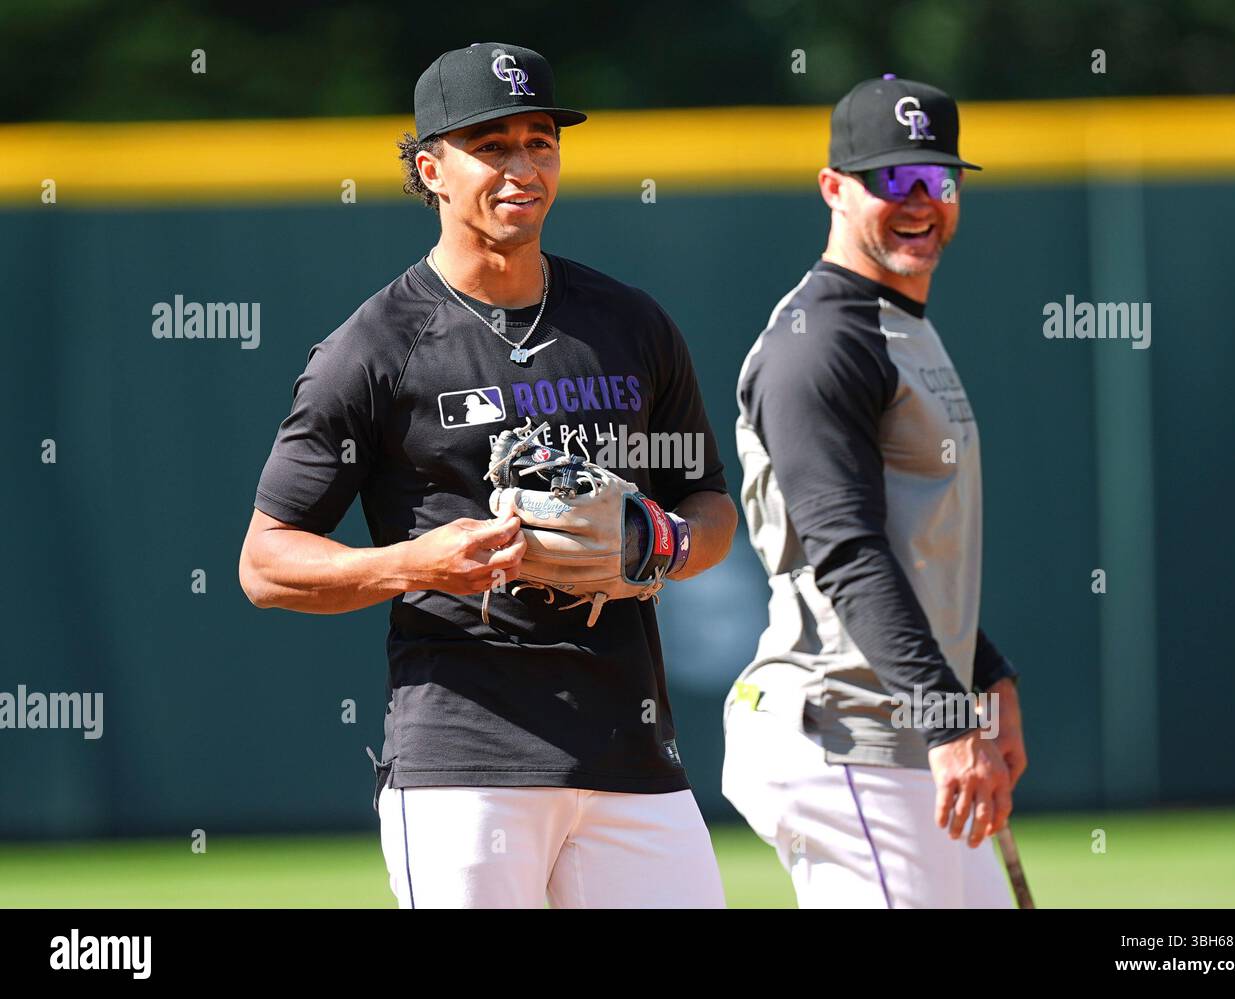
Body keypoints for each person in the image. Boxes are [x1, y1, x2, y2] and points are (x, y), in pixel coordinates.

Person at [238, 42, 736, 909]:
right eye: (492, 145)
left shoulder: (628, 324)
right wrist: (416, 563)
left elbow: (710, 505)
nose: (523, 166)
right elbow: (265, 562)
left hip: (633, 753)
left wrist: (661, 541)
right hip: (465, 766)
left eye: (540, 140)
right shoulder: (374, 349)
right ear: (431, 168)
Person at [723, 75, 1028, 908]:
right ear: (833, 188)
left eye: (940, 179)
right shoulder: (819, 340)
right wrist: (951, 716)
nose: (922, 200)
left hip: (903, 725)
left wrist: (985, 672)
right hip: (840, 726)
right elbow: (846, 551)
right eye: (894, 179)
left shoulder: (900, 323)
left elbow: (909, 544)